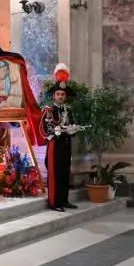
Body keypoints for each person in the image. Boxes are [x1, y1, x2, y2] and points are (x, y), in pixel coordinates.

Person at [41, 63, 79, 212]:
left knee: (65, 172)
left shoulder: (68, 111)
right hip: (55, 146)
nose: (60, 96)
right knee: (55, 173)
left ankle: (64, 200)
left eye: (63, 94)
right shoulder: (49, 111)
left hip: (66, 145)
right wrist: (59, 131)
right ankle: (54, 202)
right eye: (58, 94)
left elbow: (73, 126)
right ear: (54, 96)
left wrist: (73, 130)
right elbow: (45, 129)